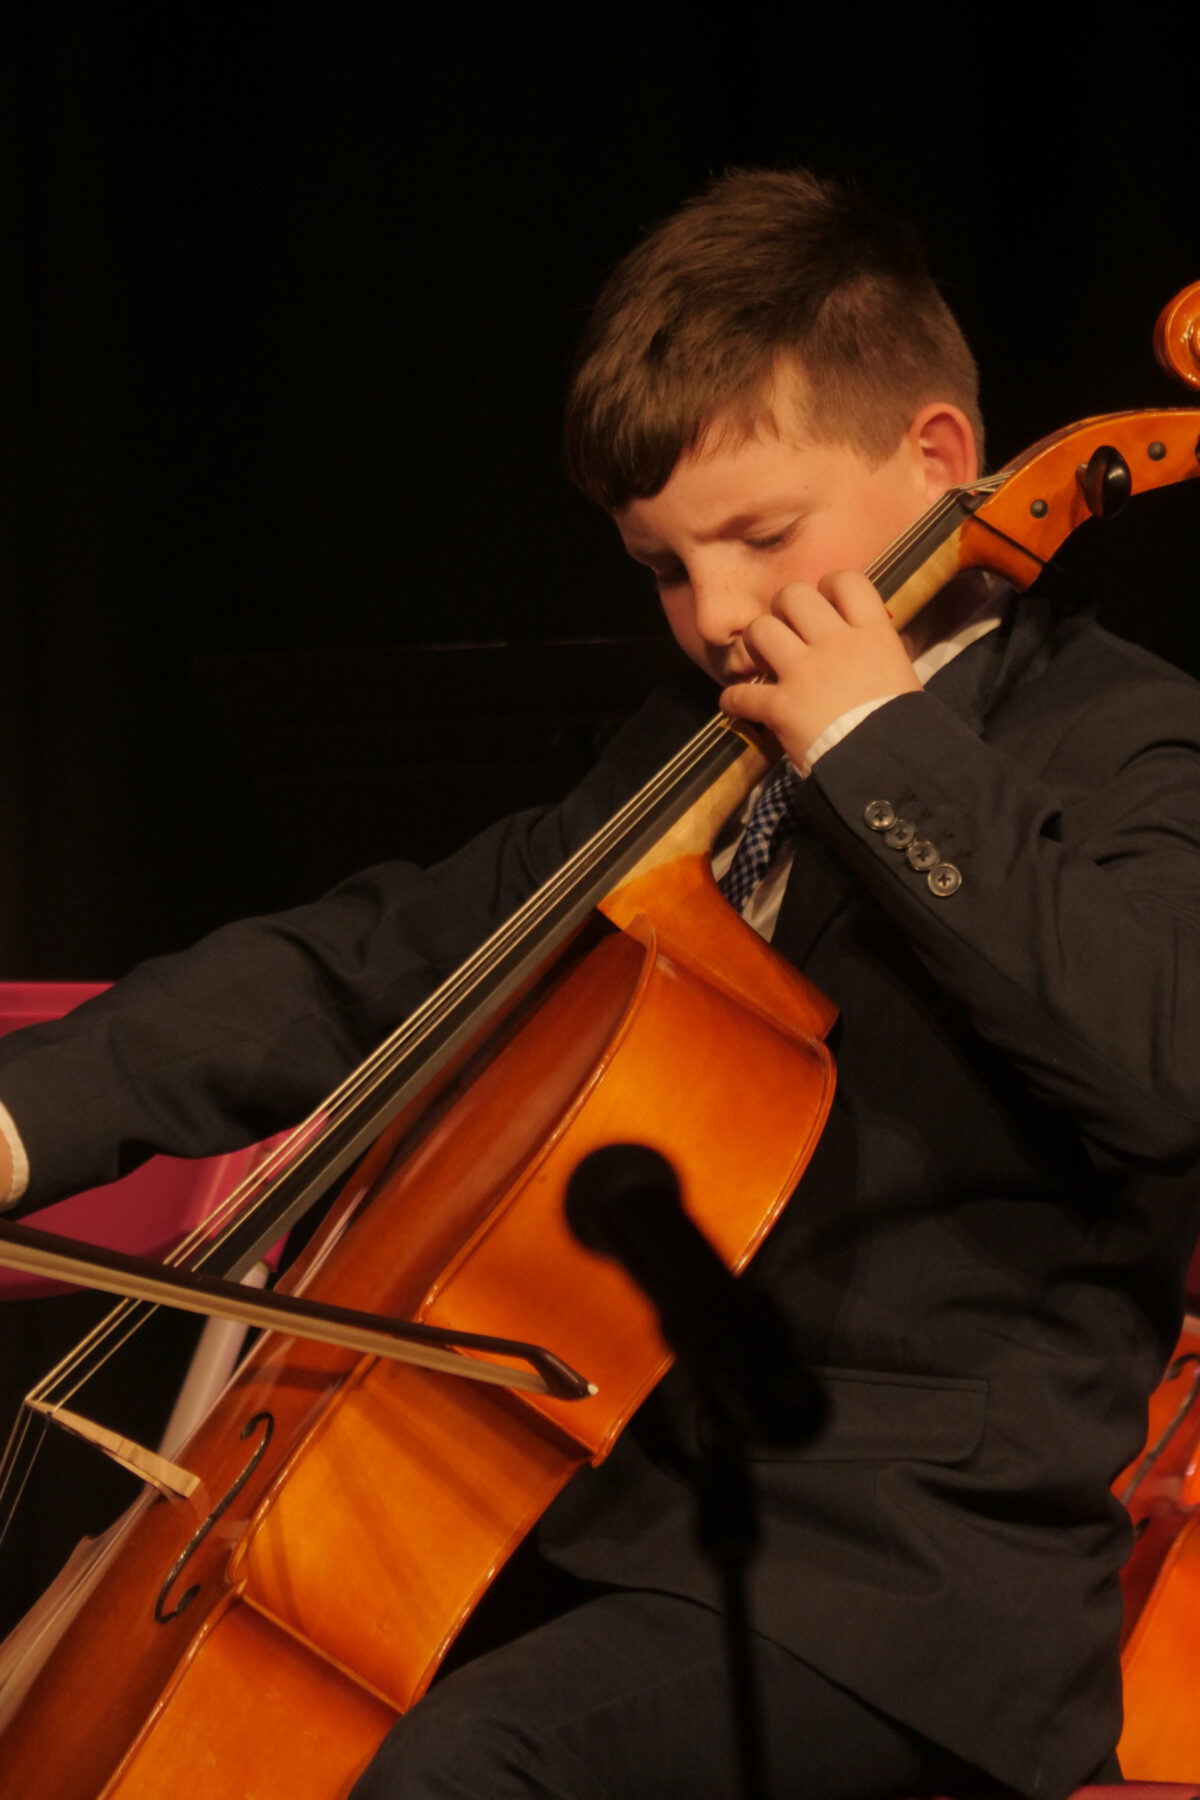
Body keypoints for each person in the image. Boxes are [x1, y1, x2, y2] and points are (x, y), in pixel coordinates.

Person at [2, 167, 1199, 1800]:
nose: (712, 619)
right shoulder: (689, 764)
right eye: (660, 567)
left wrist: (878, 745)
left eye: (760, 538)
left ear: (934, 459)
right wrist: (24, 1119)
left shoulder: (1128, 741)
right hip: (595, 1523)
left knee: (464, 1773)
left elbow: (1161, 1060)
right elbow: (382, 955)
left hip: (904, 1598)